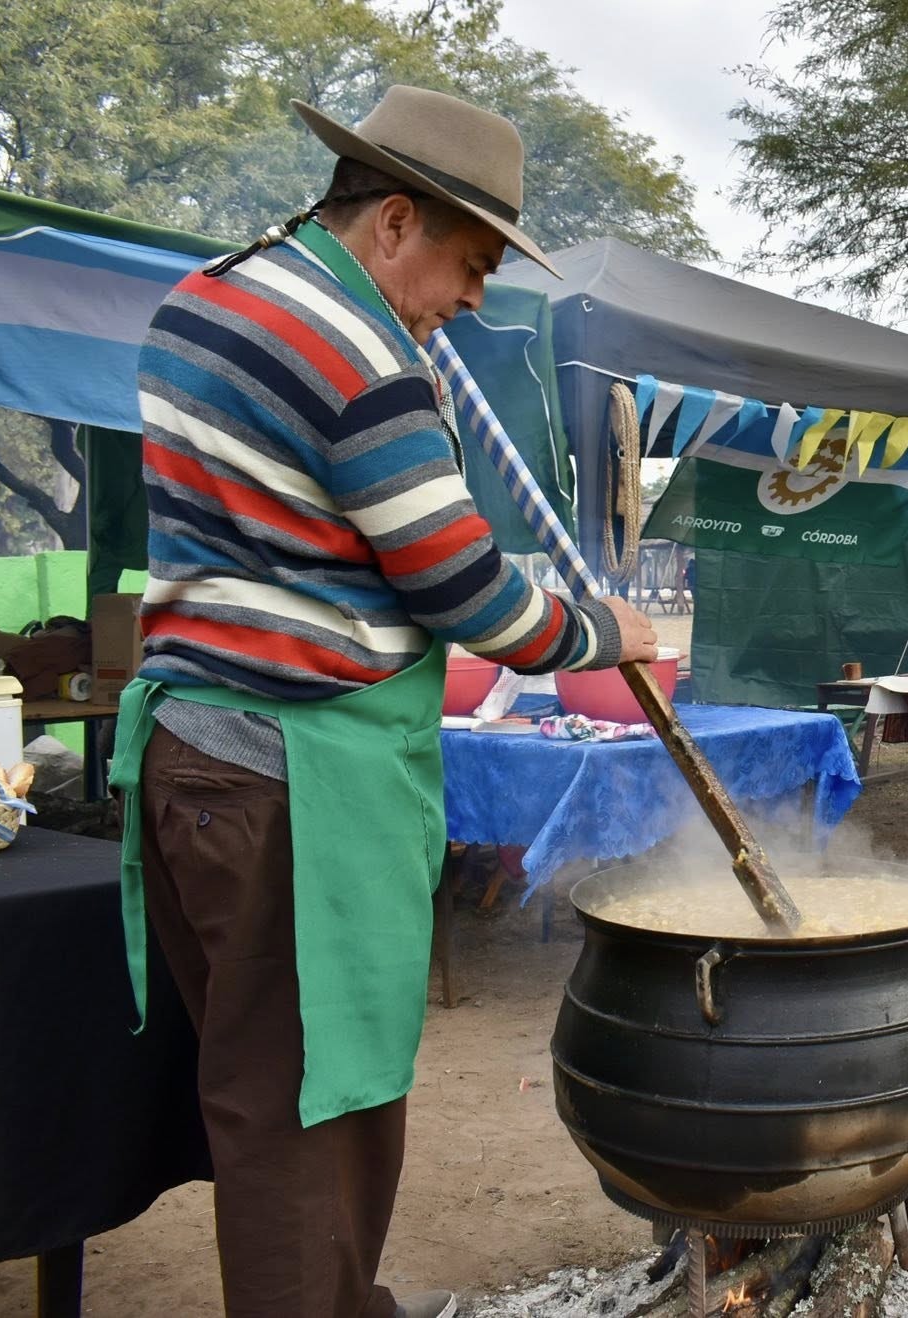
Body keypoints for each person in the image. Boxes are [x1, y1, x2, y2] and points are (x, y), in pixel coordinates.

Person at [110, 86, 660, 1318]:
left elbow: (323, 535)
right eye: (469, 266)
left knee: (267, 1088)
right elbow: (473, 599)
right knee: (315, 1112)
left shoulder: (210, 295)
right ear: (395, 220)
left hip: (195, 750)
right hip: (292, 777)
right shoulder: (361, 359)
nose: (471, 299)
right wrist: (600, 630)